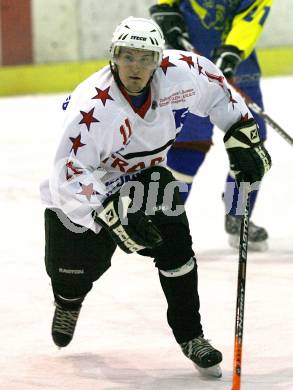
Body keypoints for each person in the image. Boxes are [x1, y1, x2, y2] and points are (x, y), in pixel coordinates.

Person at [40, 16, 271, 378]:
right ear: (113, 57)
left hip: (146, 178)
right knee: (73, 272)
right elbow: (67, 174)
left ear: (159, 59)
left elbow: (219, 93)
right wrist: (108, 212)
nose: (136, 66)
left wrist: (241, 133)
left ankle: (191, 336)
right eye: (127, 56)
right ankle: (69, 301)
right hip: (87, 193)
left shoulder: (182, 73)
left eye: (146, 57)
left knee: (177, 250)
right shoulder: (92, 108)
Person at [150, 0, 273, 251]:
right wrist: (166, 11)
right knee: (187, 148)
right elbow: (166, 5)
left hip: (238, 68)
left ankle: (238, 216)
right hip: (189, 68)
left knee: (251, 146)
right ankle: (161, 221)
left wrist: (232, 51)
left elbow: (252, 16)